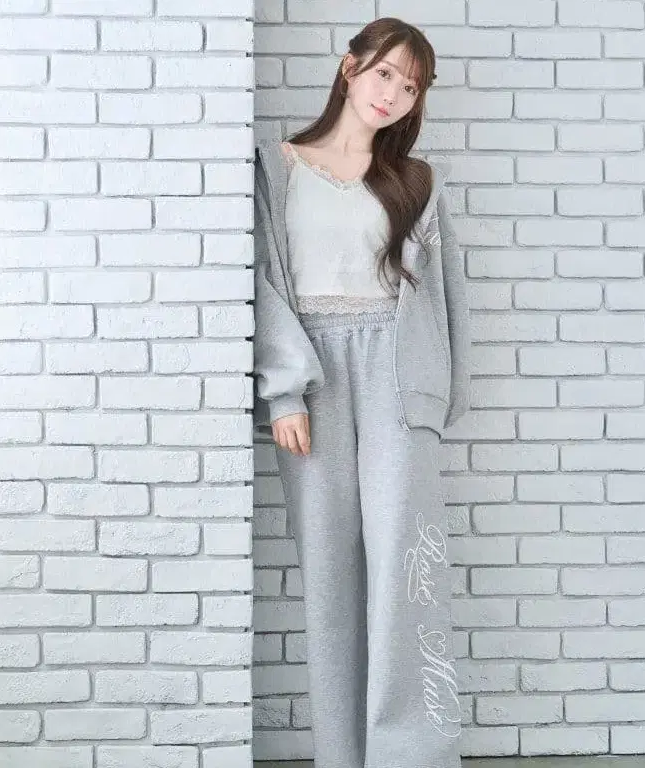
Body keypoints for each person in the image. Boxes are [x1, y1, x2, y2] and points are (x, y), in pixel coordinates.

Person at [252, 16, 470, 768]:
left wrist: (436, 397)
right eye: (386, 75)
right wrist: (283, 393)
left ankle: (410, 756)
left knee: (407, 572)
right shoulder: (277, 167)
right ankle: (342, 757)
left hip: (397, 377)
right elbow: (264, 285)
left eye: (411, 88)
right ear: (349, 68)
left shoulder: (415, 182)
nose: (395, 95)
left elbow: (445, 294)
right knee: (330, 580)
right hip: (314, 376)